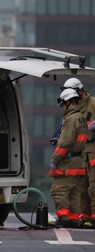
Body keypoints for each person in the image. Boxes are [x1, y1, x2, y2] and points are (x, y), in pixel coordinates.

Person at [49, 88, 87, 228]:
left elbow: (65, 143)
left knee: (59, 191)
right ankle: (74, 219)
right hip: (78, 161)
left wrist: (54, 160)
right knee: (74, 193)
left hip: (68, 162)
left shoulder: (71, 119)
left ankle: (64, 218)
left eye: (63, 104)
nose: (62, 107)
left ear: (68, 102)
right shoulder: (80, 117)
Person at [61, 78, 95, 228]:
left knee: (94, 186)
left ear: (80, 91)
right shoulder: (71, 109)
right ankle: (85, 216)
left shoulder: (93, 103)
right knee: (80, 187)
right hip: (80, 153)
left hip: (93, 151)